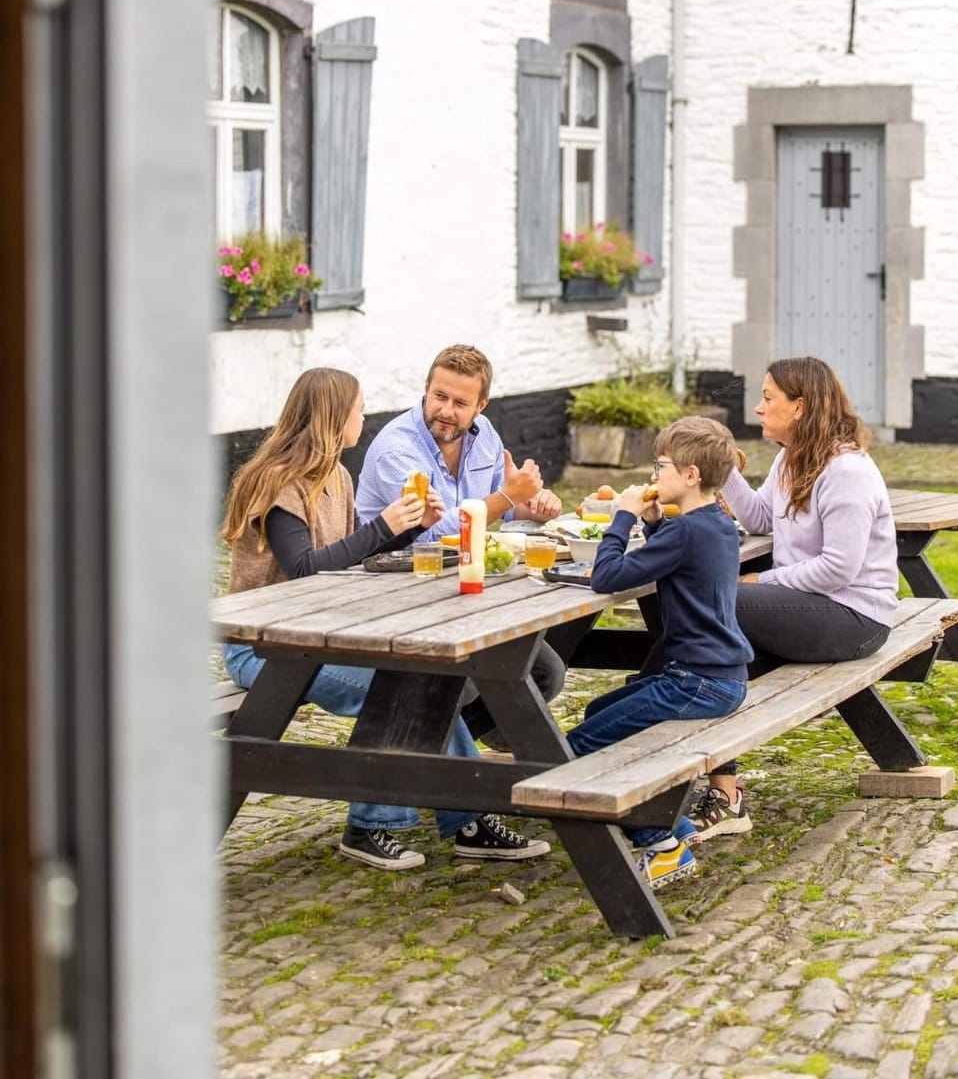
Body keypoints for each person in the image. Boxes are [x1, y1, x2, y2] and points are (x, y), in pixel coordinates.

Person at [221, 366, 551, 871]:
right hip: (264, 645)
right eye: (357, 409)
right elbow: (305, 569)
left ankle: (467, 819)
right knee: (397, 686)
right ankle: (378, 825)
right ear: (334, 419)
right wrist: (383, 527)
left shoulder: (336, 476)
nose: (363, 418)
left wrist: (404, 529)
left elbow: (350, 559)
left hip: (322, 633)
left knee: (427, 676)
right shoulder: (278, 484)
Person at [689, 356, 897, 842]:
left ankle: (658, 706)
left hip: (856, 615)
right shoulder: (792, 457)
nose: (759, 409)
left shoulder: (846, 470)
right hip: (816, 605)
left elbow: (839, 568)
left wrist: (761, 584)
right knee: (713, 645)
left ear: (799, 407)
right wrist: (722, 463)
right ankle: (722, 791)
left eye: (768, 398)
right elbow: (762, 518)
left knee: (719, 604)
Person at [566, 416, 752, 890]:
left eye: (660, 466)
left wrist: (623, 517)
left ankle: (661, 845)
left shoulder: (686, 530)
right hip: (720, 676)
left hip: (696, 682)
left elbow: (605, 577)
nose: (653, 477)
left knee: (578, 749)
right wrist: (651, 525)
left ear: (691, 475)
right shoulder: (714, 522)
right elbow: (676, 560)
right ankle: (677, 827)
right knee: (598, 709)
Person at [356, 344, 566, 743]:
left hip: (464, 590)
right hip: (398, 593)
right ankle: (430, 760)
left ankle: (434, 747)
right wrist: (507, 496)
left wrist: (528, 508)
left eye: (460, 402)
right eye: (439, 396)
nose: (446, 411)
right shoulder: (396, 449)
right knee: (462, 679)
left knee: (544, 672)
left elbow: (497, 512)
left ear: (481, 405)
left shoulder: (484, 437)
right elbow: (431, 533)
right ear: (426, 388)